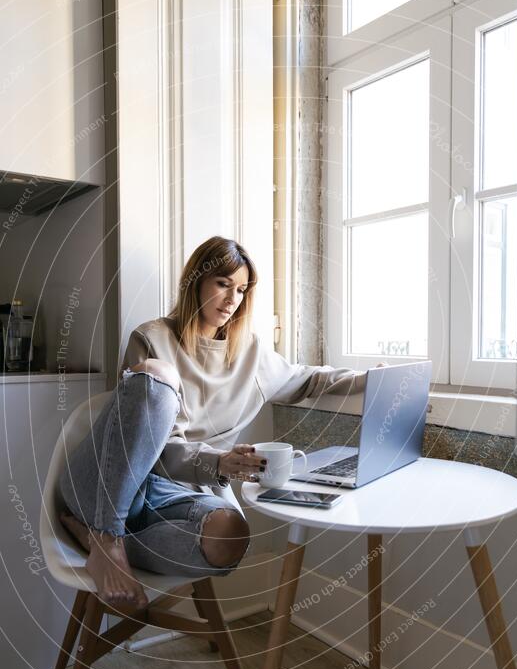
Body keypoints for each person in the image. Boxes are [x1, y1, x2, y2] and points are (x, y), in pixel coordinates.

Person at [59, 236, 369, 609]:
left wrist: (371, 379)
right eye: (223, 284)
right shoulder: (152, 338)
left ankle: (92, 537)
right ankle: (107, 537)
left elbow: (311, 379)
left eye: (241, 289)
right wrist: (217, 462)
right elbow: (144, 448)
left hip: (175, 500)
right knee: (157, 374)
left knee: (230, 537)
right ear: (196, 281)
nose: (231, 299)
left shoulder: (251, 354)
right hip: (112, 484)